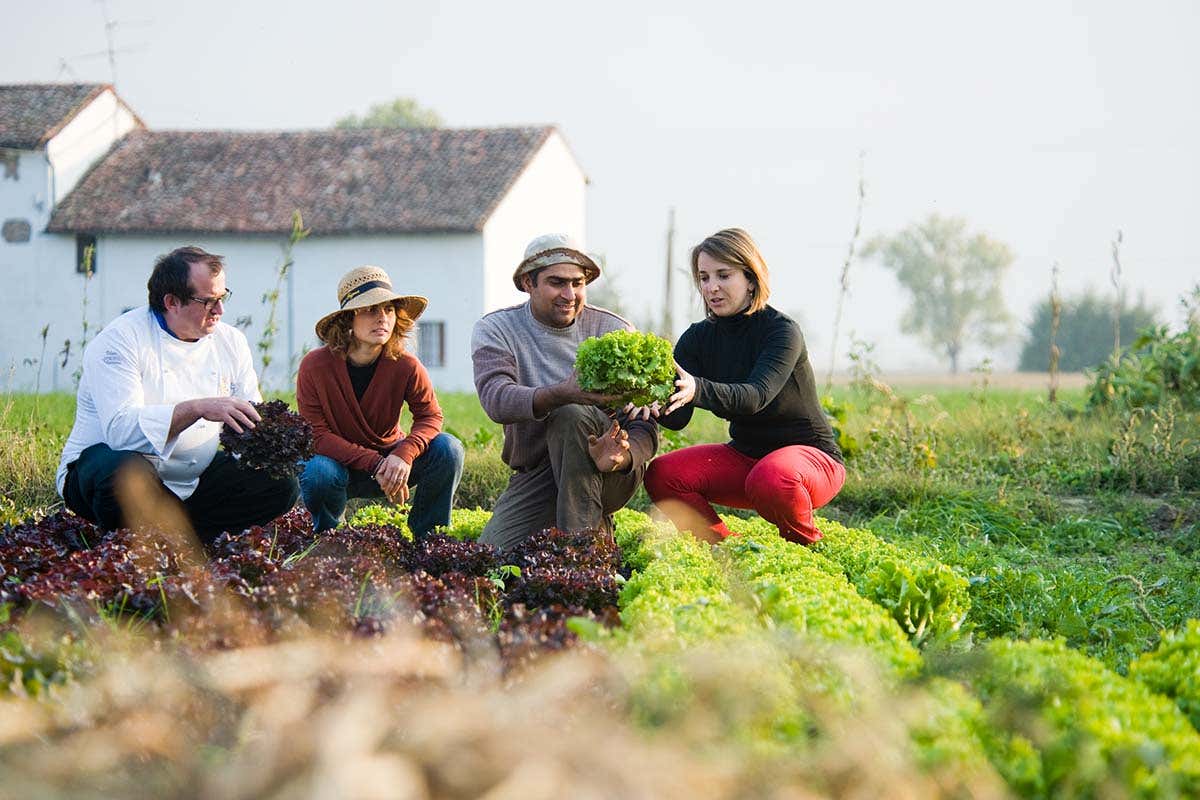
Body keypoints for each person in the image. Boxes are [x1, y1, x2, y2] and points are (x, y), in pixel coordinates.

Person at [57, 246, 299, 544]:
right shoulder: (120, 341)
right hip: (103, 472)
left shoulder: (230, 342)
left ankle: (187, 540)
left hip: (192, 479)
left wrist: (273, 444)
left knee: (279, 483)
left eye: (222, 298)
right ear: (171, 302)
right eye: (208, 301)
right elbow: (120, 433)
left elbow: (250, 418)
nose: (220, 311)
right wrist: (197, 407)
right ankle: (144, 542)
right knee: (122, 473)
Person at [645, 228, 845, 545]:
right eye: (704, 277)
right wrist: (651, 403)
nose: (712, 287)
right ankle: (724, 548)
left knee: (772, 477)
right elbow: (677, 417)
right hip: (747, 460)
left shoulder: (781, 331)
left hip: (810, 461)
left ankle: (807, 548)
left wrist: (696, 389)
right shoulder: (698, 338)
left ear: (750, 278)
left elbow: (755, 396)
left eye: (724, 275)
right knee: (662, 474)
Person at [471, 233, 659, 552]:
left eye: (578, 283)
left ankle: (581, 555)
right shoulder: (497, 329)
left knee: (571, 414)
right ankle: (594, 530)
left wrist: (622, 456)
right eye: (557, 282)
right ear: (528, 283)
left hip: (608, 468)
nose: (569, 294)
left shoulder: (614, 330)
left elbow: (646, 421)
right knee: (491, 556)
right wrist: (561, 392)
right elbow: (497, 399)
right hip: (540, 471)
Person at [296, 266, 464, 538]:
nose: (382, 318)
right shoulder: (314, 366)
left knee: (449, 449)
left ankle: (428, 540)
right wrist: (375, 463)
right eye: (370, 310)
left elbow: (430, 417)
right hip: (338, 465)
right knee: (317, 471)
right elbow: (316, 434)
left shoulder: (407, 365)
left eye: (388, 310)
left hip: (392, 461)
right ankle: (328, 541)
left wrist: (404, 453)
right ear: (348, 319)